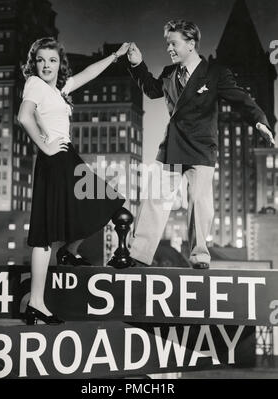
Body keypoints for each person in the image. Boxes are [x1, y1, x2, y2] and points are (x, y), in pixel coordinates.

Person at [127, 19, 275, 269]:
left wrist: (260, 121)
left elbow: (241, 99)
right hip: (172, 146)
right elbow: (152, 90)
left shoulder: (215, 73)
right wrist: (137, 64)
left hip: (201, 148)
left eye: (173, 43)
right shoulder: (168, 73)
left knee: (199, 202)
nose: (169, 49)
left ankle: (199, 256)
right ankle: (138, 255)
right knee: (154, 199)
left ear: (191, 44)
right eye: (167, 44)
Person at [18, 37, 130, 324]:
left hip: (67, 158)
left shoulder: (58, 90)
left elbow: (89, 73)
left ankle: (68, 251)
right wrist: (45, 147)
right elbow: (23, 117)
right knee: (45, 233)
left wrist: (116, 56)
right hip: (55, 160)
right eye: (41, 60)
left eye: (52, 60)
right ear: (34, 63)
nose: (46, 65)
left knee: (105, 201)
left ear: (59, 64)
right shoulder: (35, 84)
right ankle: (37, 303)